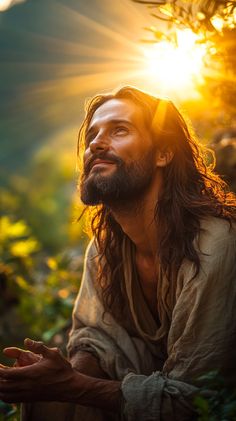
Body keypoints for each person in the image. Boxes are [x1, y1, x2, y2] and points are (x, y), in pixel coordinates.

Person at [0, 86, 236, 421]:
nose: (95, 143)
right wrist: (57, 379)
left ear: (163, 154)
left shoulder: (215, 245)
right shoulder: (104, 249)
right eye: (92, 135)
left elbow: (201, 400)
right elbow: (94, 339)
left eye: (119, 130)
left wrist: (73, 387)